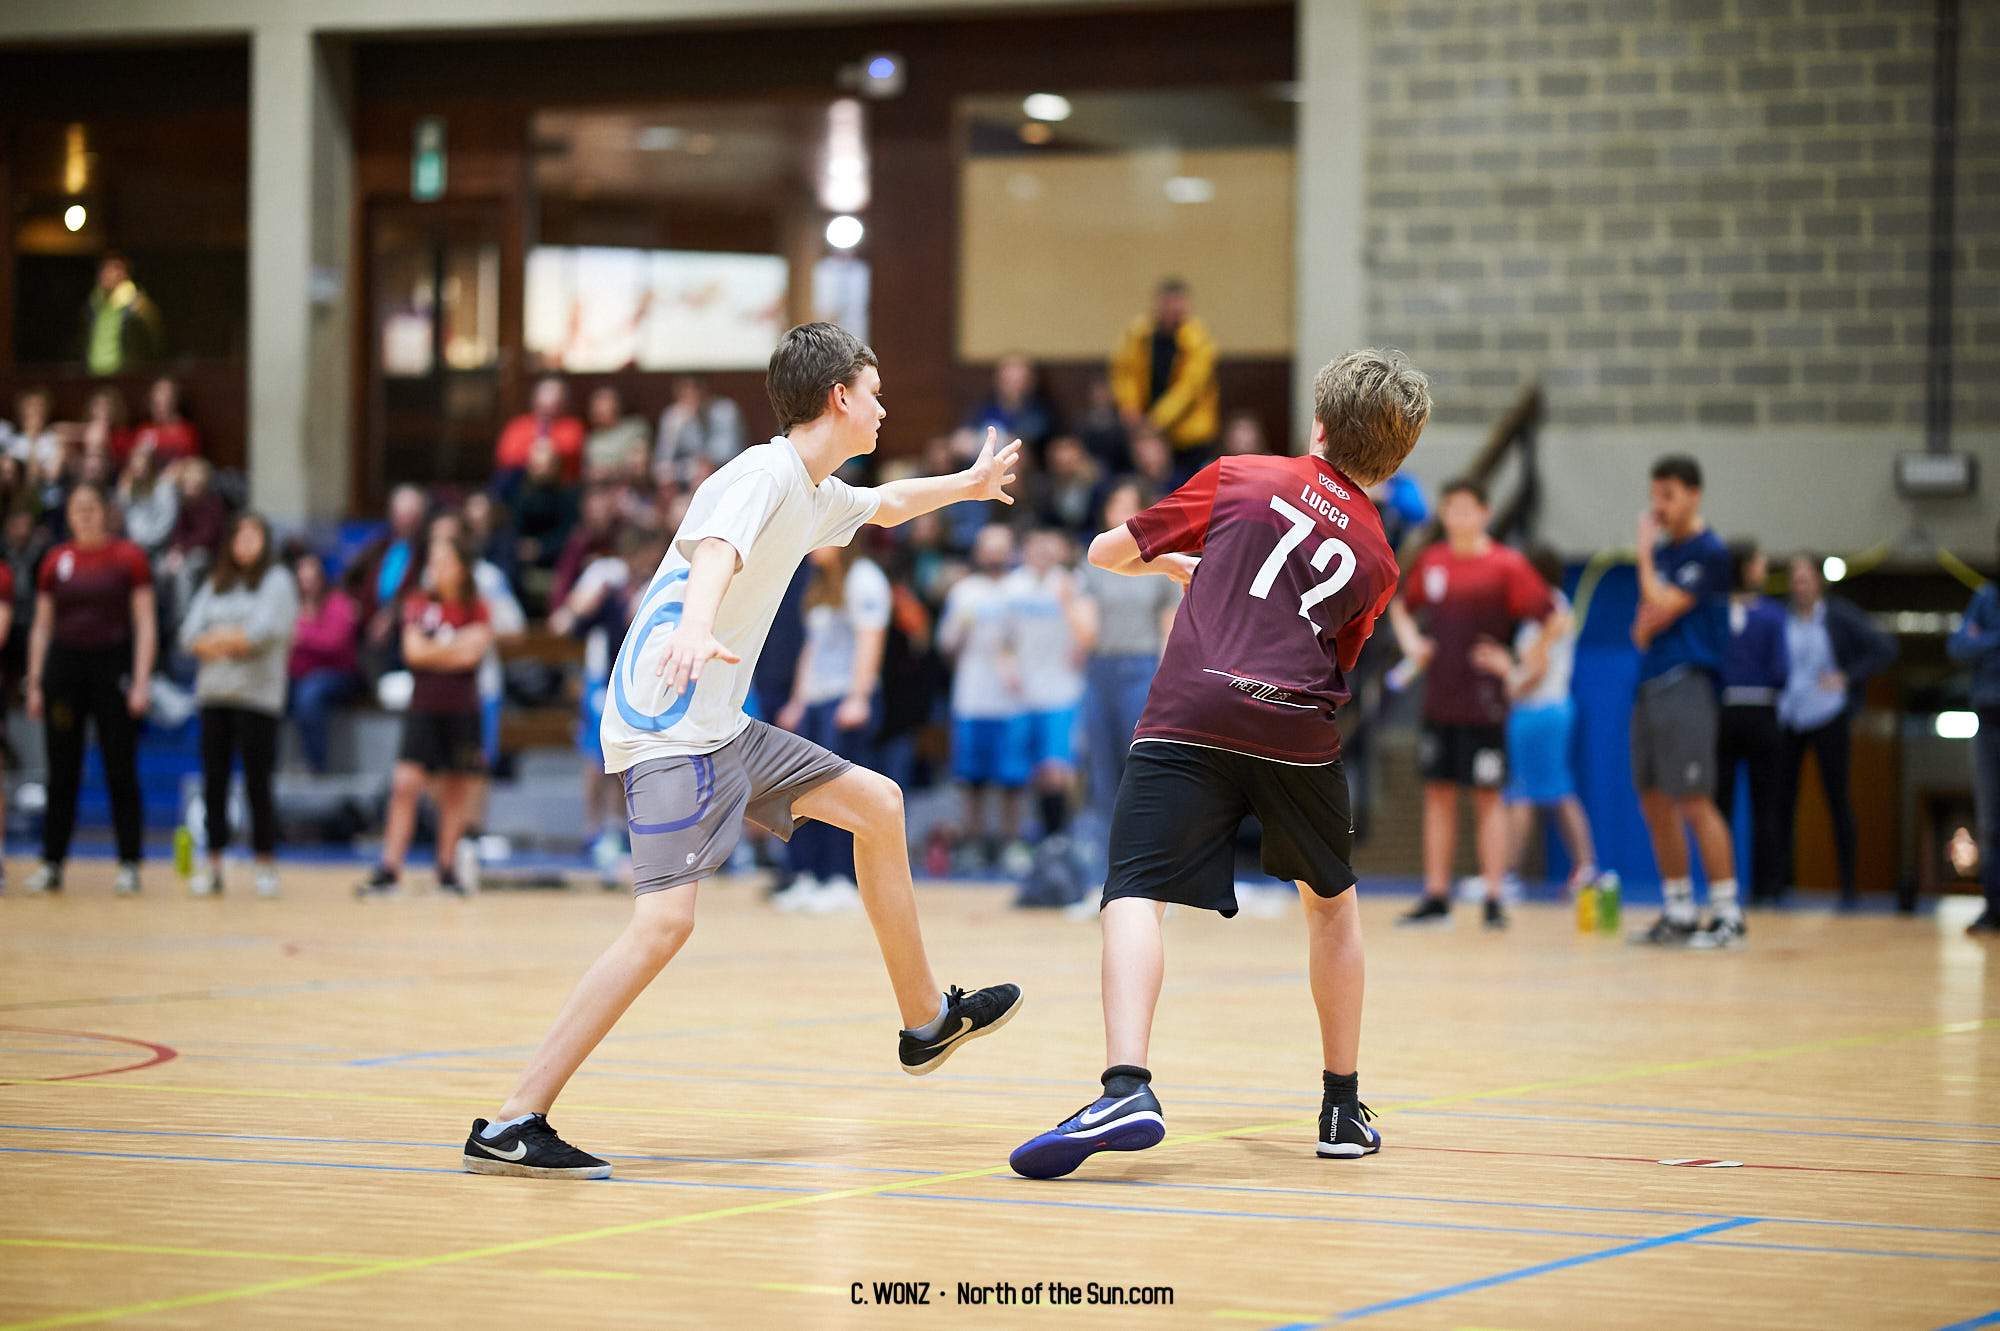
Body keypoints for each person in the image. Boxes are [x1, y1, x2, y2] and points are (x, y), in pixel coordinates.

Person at [460, 321, 1023, 1180]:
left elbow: (891, 503)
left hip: (720, 719)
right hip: (670, 719)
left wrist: (970, 485)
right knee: (664, 924)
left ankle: (924, 1022)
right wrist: (692, 625)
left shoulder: (813, 489)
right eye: (874, 393)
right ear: (839, 397)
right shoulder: (759, 475)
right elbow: (714, 552)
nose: (883, 408)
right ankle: (513, 1119)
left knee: (878, 804)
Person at [1007, 348, 1425, 1180]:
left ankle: (1126, 1083)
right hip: (1296, 727)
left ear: (1319, 422)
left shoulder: (1241, 475)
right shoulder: (1380, 556)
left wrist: (1177, 564)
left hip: (1191, 708)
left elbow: (1103, 552)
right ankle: (1341, 1107)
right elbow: (1334, 651)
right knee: (1332, 910)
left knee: (1134, 892)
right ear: (1395, 457)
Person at [1389, 480, 1555, 928]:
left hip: (1485, 704)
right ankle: (1437, 897)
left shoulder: (1506, 565)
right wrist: (1412, 644)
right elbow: (1401, 605)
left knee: (1487, 797)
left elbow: (1555, 619)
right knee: (1438, 794)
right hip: (1440, 699)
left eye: (1466, 509)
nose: (1458, 518)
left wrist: (1518, 663)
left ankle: (1494, 897)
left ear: (1484, 512)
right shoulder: (1434, 561)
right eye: (1450, 510)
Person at [1628, 455, 1743, 947]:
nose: (1659, 507)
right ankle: (1678, 909)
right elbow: (1641, 629)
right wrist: (1654, 607)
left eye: (1668, 495)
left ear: (1694, 494)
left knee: (1694, 799)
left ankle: (1726, 914)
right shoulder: (1673, 553)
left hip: (1688, 683)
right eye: (1655, 495)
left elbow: (1659, 602)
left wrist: (1643, 550)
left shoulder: (1708, 551)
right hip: (1652, 682)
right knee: (1654, 801)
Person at [23, 483, 156, 895]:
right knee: (61, 771)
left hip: (111, 665)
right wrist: (35, 682)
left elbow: (145, 621)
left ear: (105, 512)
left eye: (91, 507)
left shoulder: (128, 557)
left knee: (120, 767)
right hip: (64, 669)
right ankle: (52, 863)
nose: (84, 514)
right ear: (69, 514)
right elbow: (42, 626)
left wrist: (140, 680)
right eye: (77, 508)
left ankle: (130, 863)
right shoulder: (55, 560)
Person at [355, 532, 492, 899]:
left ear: (462, 567)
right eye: (433, 561)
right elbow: (414, 652)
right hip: (424, 708)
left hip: (463, 710)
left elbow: (473, 653)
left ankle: (445, 871)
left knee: (454, 790)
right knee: (405, 784)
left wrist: (439, 649)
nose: (437, 568)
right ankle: (389, 869)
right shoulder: (418, 601)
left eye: (444, 561)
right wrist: (452, 645)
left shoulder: (476, 605)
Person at [178, 513, 297, 899]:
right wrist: (230, 639)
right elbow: (187, 635)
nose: (245, 542)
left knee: (258, 782)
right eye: (239, 535)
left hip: (257, 697)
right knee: (214, 782)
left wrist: (216, 641)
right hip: (214, 695)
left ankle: (264, 863)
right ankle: (213, 865)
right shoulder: (217, 581)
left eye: (253, 535)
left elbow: (260, 635)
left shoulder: (277, 581)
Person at [1474, 546, 1605, 895]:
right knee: (1553, 790)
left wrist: (1506, 671)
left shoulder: (1549, 609)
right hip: (1545, 710)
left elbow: (1536, 667)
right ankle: (1584, 867)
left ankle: (1506, 876)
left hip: (1540, 710)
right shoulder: (1547, 608)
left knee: (1523, 793)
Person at [773, 540, 893, 912]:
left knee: (842, 794)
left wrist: (858, 697)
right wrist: (797, 701)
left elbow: (870, 640)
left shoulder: (864, 578)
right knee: (804, 793)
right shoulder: (821, 583)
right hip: (817, 701)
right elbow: (813, 648)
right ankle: (810, 875)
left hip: (845, 700)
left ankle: (844, 879)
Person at [1777, 553, 1897, 910]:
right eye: (1795, 578)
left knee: (1837, 798)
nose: (1801, 585)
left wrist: (1848, 676)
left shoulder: (1840, 615)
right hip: (1790, 716)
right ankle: (1776, 884)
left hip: (1829, 714)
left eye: (1806, 578)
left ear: (1818, 581)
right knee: (1782, 803)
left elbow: (1885, 648)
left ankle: (1848, 886)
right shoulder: (1783, 618)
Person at [550, 524, 667, 885]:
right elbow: (569, 626)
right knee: (596, 758)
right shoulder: (609, 587)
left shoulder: (659, 588)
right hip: (605, 685)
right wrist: (590, 601)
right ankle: (598, 830)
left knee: (633, 762)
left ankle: (634, 834)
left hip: (645, 689)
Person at [1076, 482, 1182, 832]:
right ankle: (1104, 860)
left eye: (1128, 505)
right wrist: (1066, 602)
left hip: (1142, 670)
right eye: (1114, 505)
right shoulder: (1092, 563)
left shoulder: (1160, 561)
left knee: (1139, 763)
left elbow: (1170, 628)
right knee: (1101, 768)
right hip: (1100, 670)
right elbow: (1086, 633)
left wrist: (1167, 679)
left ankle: (1144, 849)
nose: (1120, 513)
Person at [941, 523, 1029, 870]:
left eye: (1001, 546)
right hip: (972, 697)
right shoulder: (964, 591)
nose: (994, 554)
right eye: (988, 546)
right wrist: (961, 628)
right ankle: (973, 843)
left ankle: (1012, 843)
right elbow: (946, 646)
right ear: (978, 552)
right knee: (971, 777)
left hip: (1014, 700)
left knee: (1013, 779)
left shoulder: (1023, 590)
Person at [1716, 542, 1790, 904]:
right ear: (1745, 567)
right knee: (1766, 808)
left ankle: (1723, 887)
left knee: (1722, 807)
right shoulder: (1773, 616)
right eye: (1758, 561)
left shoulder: (1715, 612)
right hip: (1761, 713)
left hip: (1724, 713)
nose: (1764, 566)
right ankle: (1766, 889)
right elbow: (1781, 670)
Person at [1006, 528, 1087, 846]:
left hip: (1063, 690)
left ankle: (1062, 837)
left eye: (1049, 547)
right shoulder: (1014, 587)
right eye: (1036, 546)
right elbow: (1002, 638)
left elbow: (1086, 634)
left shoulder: (1073, 584)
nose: (1043, 552)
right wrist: (1007, 665)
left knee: (1058, 769)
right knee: (1030, 771)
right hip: (1022, 694)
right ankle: (1039, 839)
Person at [1948, 521, 2000, 936]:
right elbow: (1959, 645)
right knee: (1990, 821)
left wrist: (1987, 640)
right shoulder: (1985, 597)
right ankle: (1993, 907)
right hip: (1988, 718)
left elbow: (1975, 643)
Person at [1109, 278, 1219, 471]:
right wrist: (1129, 407)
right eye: (1169, 303)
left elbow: (1189, 388)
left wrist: (1156, 420)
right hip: (1144, 429)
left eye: (1180, 304)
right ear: (1158, 304)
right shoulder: (1139, 334)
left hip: (1188, 435)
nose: (1175, 309)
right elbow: (1124, 373)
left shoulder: (1198, 339)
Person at [287, 549, 362, 774]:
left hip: (340, 676)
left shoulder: (338, 602)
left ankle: (315, 765)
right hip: (297, 676)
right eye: (303, 578)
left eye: (313, 577)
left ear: (322, 577)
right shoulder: (291, 605)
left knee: (311, 693)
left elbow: (335, 642)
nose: (308, 583)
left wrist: (300, 636)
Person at [654, 374, 744, 486]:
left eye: (695, 387)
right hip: (685, 487)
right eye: (684, 389)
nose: (690, 394)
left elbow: (730, 455)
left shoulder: (725, 411)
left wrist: (702, 464)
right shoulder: (673, 417)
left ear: (705, 388)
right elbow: (661, 469)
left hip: (724, 481)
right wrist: (676, 429)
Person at [79, 253, 161, 375]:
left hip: (126, 373)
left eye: (115, 269)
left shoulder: (138, 304)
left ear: (125, 274)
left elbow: (152, 340)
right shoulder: (93, 303)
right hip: (94, 373)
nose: (108, 274)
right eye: (105, 269)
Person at [964, 354, 1057, 459]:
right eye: (1008, 380)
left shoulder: (1040, 411)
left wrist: (978, 442)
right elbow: (965, 436)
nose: (1013, 386)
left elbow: (1023, 443)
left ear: (1031, 382)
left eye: (1019, 381)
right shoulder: (985, 407)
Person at [494, 376, 585, 481]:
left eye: (554, 401)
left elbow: (570, 450)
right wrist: (538, 454)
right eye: (543, 401)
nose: (548, 406)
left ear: (563, 403)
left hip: (562, 485)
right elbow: (506, 456)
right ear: (534, 400)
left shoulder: (572, 426)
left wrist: (543, 454)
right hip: (520, 484)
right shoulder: (518, 425)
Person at [126, 377, 201, 467]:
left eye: (166, 398)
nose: (159, 408)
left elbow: (190, 464)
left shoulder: (186, 432)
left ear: (175, 400)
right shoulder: (143, 430)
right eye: (156, 403)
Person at [580, 385, 651, 480]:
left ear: (616, 404)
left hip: (629, 488)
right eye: (593, 404)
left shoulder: (635, 427)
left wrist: (609, 471)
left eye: (601, 401)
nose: (595, 408)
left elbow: (639, 466)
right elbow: (586, 471)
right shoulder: (591, 438)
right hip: (598, 489)